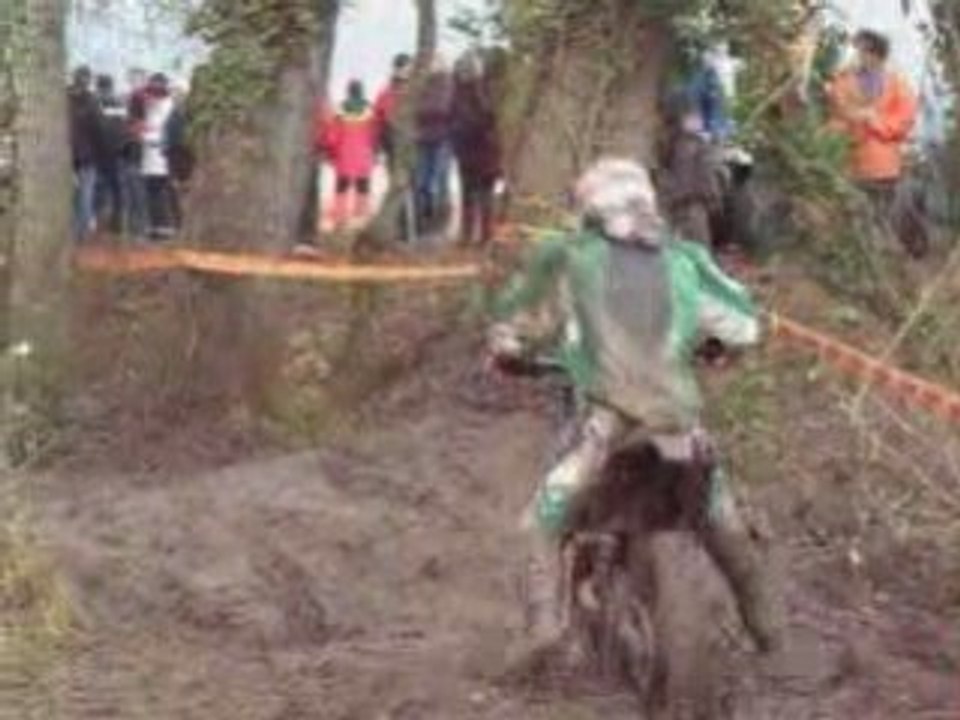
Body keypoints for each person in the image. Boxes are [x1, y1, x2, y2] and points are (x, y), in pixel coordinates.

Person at [488, 159, 780, 663]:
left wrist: (509, 350)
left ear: (588, 210)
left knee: (541, 521)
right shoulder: (686, 258)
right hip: (678, 421)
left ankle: (543, 627)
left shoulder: (567, 256)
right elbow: (744, 326)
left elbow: (515, 325)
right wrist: (713, 347)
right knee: (719, 518)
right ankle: (766, 629)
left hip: (606, 420)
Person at [826, 29, 924, 256]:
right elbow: (835, 113)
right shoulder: (842, 80)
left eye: (864, 51)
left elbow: (905, 118)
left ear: (877, 54)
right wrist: (846, 123)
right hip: (849, 159)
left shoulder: (897, 83)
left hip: (883, 162)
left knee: (883, 211)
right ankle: (859, 253)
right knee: (853, 211)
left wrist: (875, 120)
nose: (859, 56)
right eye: (857, 50)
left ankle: (886, 252)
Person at [659, 95, 724, 249]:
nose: (699, 121)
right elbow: (705, 175)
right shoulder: (696, 145)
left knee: (678, 247)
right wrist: (714, 198)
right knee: (700, 248)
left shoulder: (671, 144)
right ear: (682, 119)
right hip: (693, 204)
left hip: (675, 205)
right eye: (694, 117)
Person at [450, 52, 501, 246]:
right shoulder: (484, 90)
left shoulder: (475, 93)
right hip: (478, 151)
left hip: (479, 150)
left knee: (475, 195)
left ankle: (476, 236)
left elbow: (487, 119)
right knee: (476, 194)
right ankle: (476, 236)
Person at [319, 80, 378, 228]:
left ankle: (340, 219)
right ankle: (361, 219)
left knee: (341, 187)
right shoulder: (370, 111)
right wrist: (374, 152)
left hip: (344, 156)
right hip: (364, 157)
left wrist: (328, 151)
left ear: (348, 92)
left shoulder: (340, 111)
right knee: (363, 187)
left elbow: (332, 137)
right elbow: (375, 135)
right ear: (361, 92)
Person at [414, 55, 454, 226]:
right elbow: (417, 109)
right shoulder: (424, 85)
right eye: (433, 63)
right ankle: (422, 218)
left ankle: (437, 220)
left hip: (442, 139)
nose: (435, 66)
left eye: (438, 62)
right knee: (422, 181)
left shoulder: (450, 85)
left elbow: (445, 109)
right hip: (423, 139)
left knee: (435, 182)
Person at [68, 66, 104, 241]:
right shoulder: (92, 101)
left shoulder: (63, 98)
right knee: (85, 195)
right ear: (88, 80)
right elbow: (99, 130)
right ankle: (82, 234)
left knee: (73, 196)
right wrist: (102, 153)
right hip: (87, 157)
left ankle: (75, 232)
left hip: (68, 156)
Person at [140, 73, 177, 239]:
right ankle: (155, 227)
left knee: (164, 193)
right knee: (151, 194)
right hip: (149, 157)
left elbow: (164, 133)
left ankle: (166, 228)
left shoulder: (169, 107)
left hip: (162, 157)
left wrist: (149, 137)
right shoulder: (150, 107)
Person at [93, 74, 129, 234]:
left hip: (99, 152)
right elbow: (124, 128)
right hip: (118, 152)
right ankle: (117, 223)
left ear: (98, 85)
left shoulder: (94, 103)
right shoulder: (119, 103)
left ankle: (96, 221)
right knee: (117, 189)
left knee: (98, 187)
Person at [373, 54, 413, 176]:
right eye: (399, 67)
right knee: (394, 174)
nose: (402, 71)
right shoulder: (386, 90)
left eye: (405, 67)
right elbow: (378, 117)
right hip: (391, 138)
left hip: (411, 138)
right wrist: (377, 145)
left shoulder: (416, 87)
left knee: (411, 176)